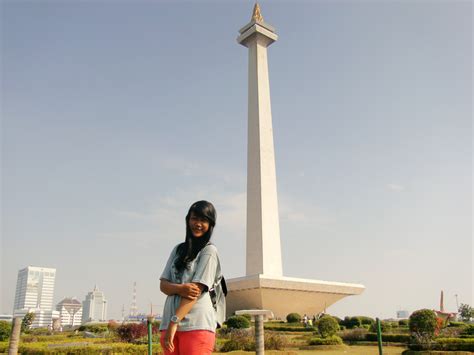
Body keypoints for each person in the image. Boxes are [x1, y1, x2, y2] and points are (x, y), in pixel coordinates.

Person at [159, 201, 223, 355]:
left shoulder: (209, 251)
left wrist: (174, 323)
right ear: (188, 220)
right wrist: (181, 288)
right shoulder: (178, 250)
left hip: (196, 325)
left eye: (204, 220)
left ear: (211, 224)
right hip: (169, 325)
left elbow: (194, 292)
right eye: (194, 218)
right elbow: (163, 285)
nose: (198, 224)